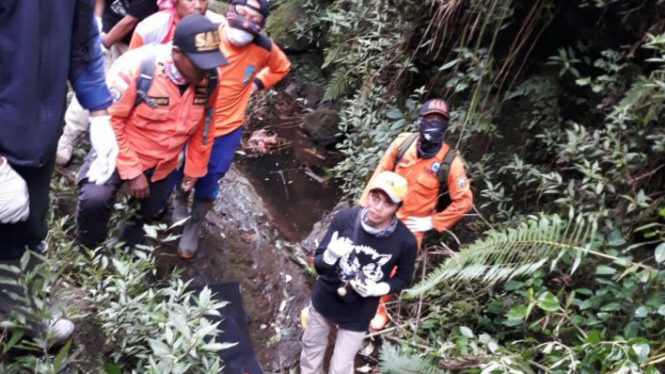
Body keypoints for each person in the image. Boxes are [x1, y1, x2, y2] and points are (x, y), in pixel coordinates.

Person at [0, 0, 115, 343]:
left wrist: (99, 113)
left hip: (38, 134)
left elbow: (83, 42)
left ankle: (21, 312)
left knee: (28, 225)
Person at [76, 14, 227, 249]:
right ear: (176, 52)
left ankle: (126, 245)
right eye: (199, 63)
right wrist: (133, 172)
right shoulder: (137, 67)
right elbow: (109, 120)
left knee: (149, 213)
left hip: (162, 162)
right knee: (95, 199)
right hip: (118, 151)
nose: (206, 70)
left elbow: (205, 123)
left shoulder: (211, 79)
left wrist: (195, 166)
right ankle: (88, 247)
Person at [171, 0, 292, 259]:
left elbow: (282, 67)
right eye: (242, 13)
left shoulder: (263, 47)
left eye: (254, 18)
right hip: (190, 117)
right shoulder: (209, 28)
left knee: (210, 177)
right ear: (231, 10)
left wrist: (256, 84)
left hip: (226, 128)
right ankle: (179, 200)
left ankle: (194, 224)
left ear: (261, 25)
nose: (246, 21)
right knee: (178, 163)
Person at [359, 98, 474, 331]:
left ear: (446, 126)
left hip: (412, 225)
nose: (433, 124)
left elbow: (464, 200)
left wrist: (432, 221)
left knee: (391, 268)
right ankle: (353, 292)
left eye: (439, 121)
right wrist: (366, 206)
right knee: (363, 252)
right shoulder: (403, 143)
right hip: (385, 213)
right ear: (421, 120)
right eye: (430, 118)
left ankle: (378, 308)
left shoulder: (450, 162)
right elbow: (381, 171)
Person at [300, 171, 417, 374]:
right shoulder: (345, 219)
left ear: (397, 208)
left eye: (387, 203)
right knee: (311, 351)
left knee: (340, 368)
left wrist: (378, 288)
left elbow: (404, 278)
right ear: (368, 195)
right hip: (325, 299)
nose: (378, 207)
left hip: (359, 311)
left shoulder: (405, 241)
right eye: (375, 198)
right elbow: (319, 265)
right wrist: (330, 256)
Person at [56, 0, 158, 166]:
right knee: (91, 84)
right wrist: (96, 23)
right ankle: (69, 136)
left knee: (122, 96)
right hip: (105, 31)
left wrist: (102, 44)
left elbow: (130, 21)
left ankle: (112, 147)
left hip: (132, 46)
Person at [129, 0, 223, 50]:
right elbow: (131, 67)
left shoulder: (219, 26)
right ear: (176, 1)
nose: (198, 5)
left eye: (203, 0)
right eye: (190, 0)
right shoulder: (149, 28)